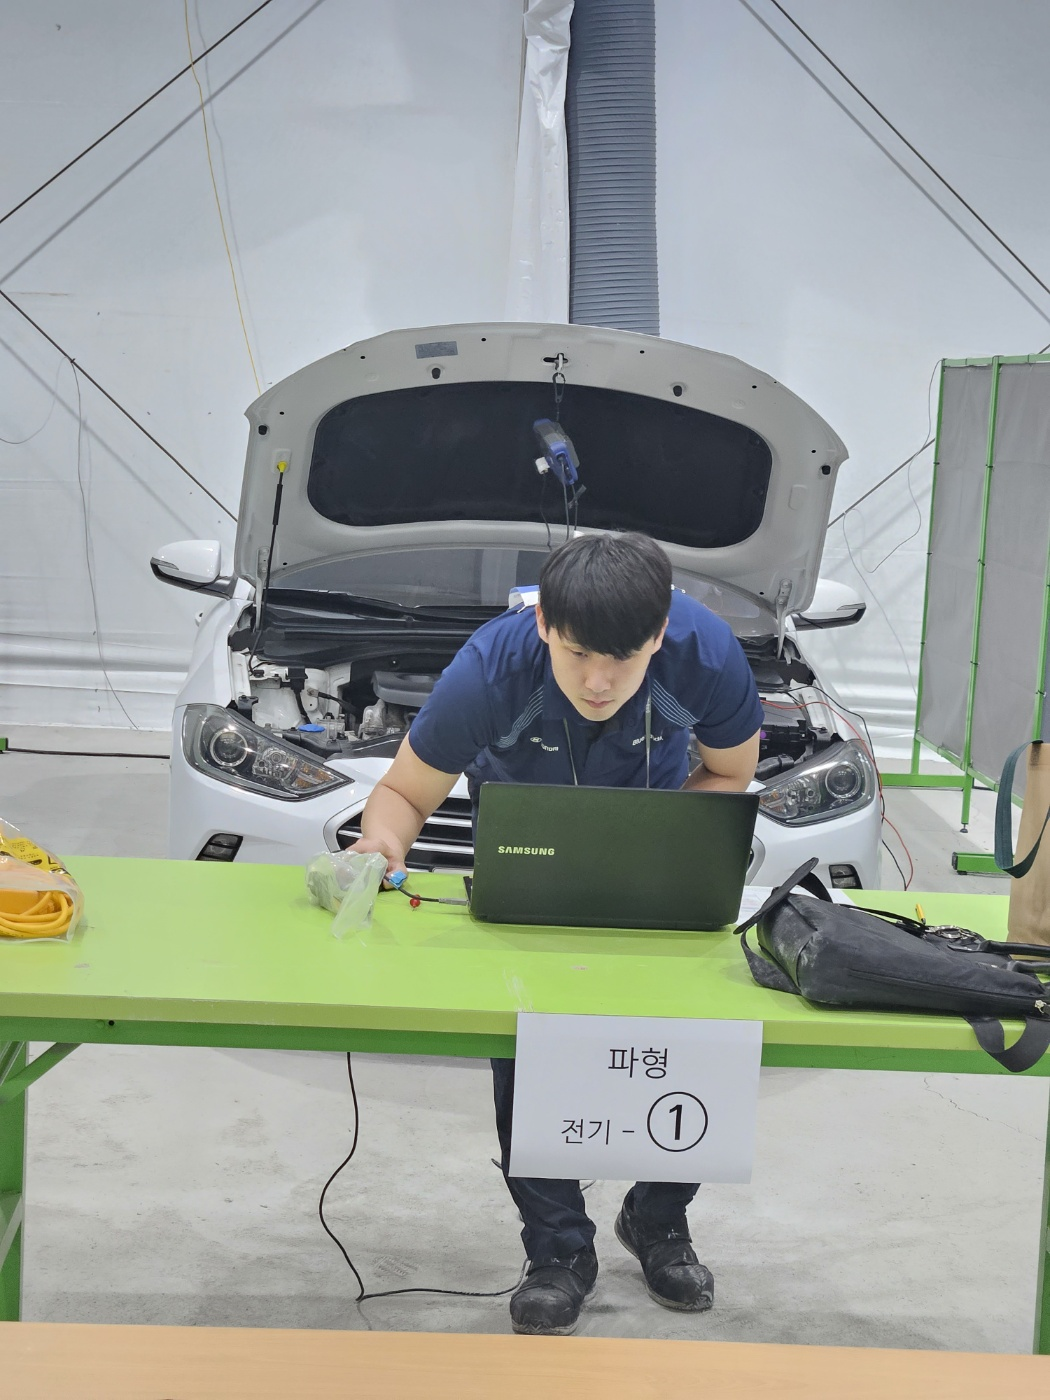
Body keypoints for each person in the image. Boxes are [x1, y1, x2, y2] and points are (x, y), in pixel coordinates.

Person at [350, 531, 763, 1335]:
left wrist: (663, 848)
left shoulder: (707, 657)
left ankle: (658, 1219)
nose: (598, 682)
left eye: (622, 660)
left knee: (697, 1038)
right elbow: (404, 792)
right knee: (528, 1047)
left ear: (659, 636)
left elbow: (730, 771)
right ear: (543, 625)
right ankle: (557, 1250)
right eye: (577, 655)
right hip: (528, 875)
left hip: (657, 869)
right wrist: (382, 843)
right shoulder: (490, 671)